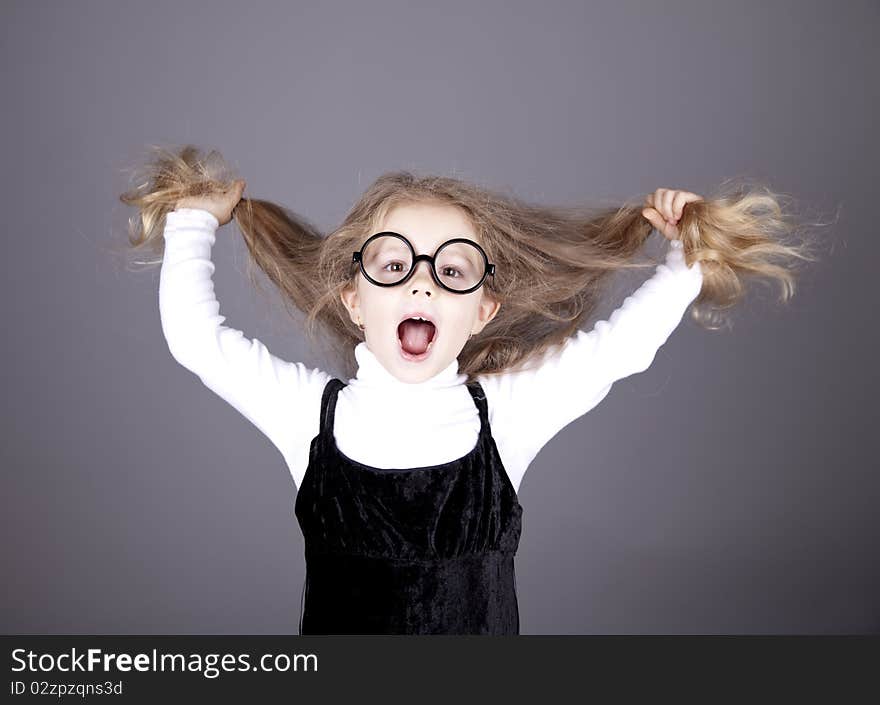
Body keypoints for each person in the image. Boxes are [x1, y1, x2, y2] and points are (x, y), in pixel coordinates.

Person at [120, 145, 819, 634]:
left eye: (452, 270)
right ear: (354, 298)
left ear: (483, 308)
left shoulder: (506, 412)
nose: (422, 280)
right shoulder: (309, 415)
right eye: (394, 264)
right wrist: (190, 221)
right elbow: (197, 342)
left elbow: (619, 350)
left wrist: (687, 249)